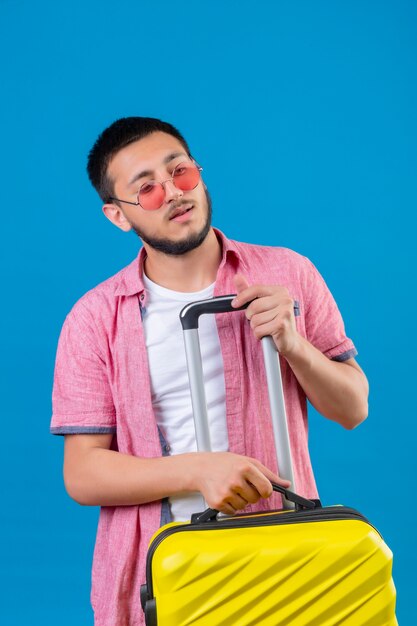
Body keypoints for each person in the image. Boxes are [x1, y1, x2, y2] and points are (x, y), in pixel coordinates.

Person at [51, 116, 368, 626]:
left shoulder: (289, 273)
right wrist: (200, 468)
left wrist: (294, 344)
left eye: (180, 172)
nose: (173, 193)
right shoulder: (94, 319)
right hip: (164, 570)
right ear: (118, 215)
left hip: (286, 555)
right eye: (147, 189)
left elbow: (353, 408)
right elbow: (83, 473)